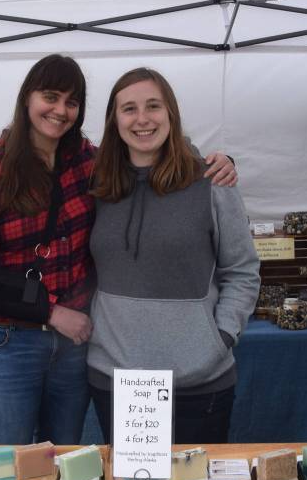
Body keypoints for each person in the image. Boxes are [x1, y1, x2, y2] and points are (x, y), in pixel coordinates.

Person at [0, 55, 236, 445]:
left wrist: (213, 163)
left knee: (66, 464)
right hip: (9, 343)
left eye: (72, 102)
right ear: (27, 99)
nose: (60, 110)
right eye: (50, 97)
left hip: (72, 346)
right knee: (16, 467)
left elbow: (148, 146)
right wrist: (48, 310)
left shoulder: (88, 162)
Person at [86, 67, 260, 444]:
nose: (142, 118)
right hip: (116, 380)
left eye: (153, 106)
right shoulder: (97, 186)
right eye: (129, 109)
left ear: (171, 114)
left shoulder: (212, 181)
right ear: (115, 121)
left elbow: (242, 271)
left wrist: (222, 337)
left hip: (198, 380)